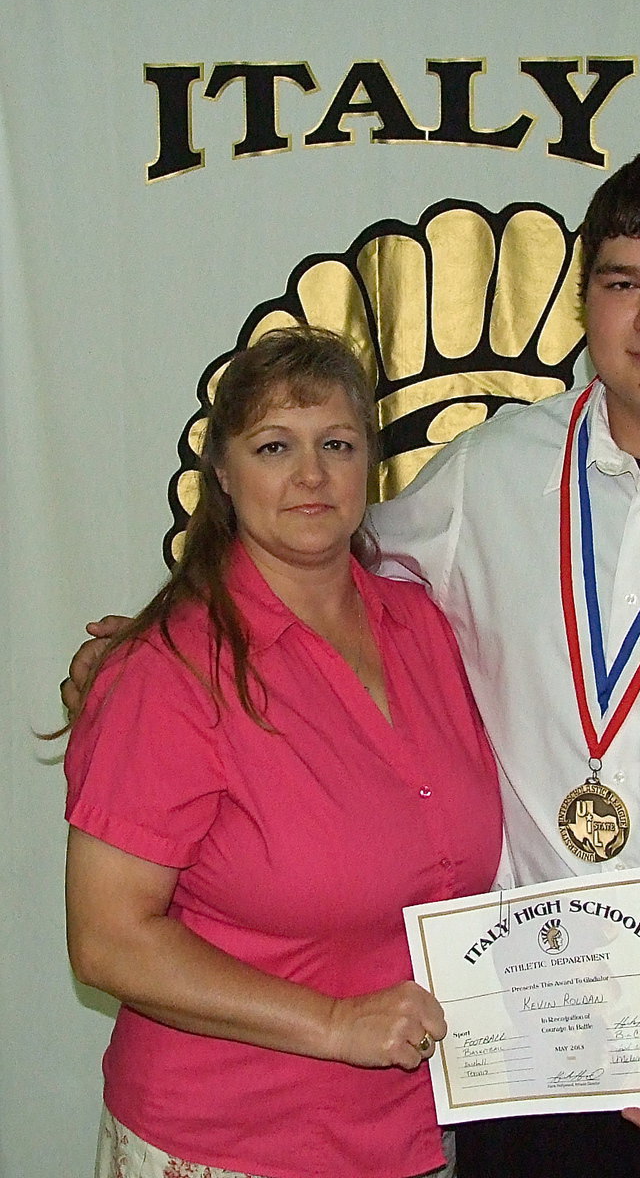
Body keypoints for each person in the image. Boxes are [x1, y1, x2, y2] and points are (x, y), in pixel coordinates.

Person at [66, 147, 640, 1177]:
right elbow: (316, 559)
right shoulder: (487, 478)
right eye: (623, 283)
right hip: (525, 1029)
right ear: (586, 299)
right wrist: (142, 651)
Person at [62, 325, 502, 1178]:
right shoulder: (169, 669)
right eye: (274, 446)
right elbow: (108, 940)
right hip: (233, 1141)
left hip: (420, 1131)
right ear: (223, 475)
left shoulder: (423, 627)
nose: (310, 475)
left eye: (336, 444)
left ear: (370, 464)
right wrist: (333, 1025)